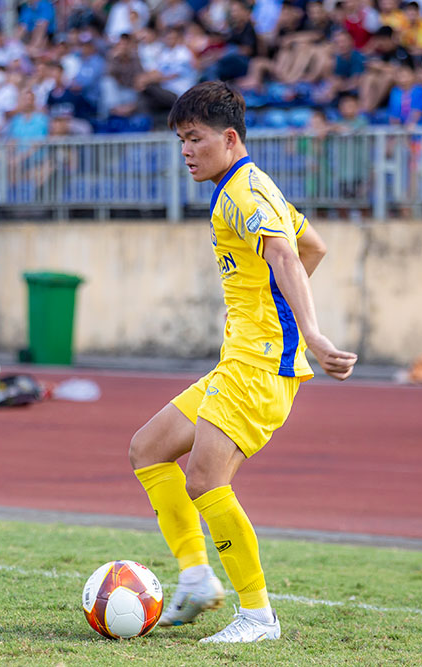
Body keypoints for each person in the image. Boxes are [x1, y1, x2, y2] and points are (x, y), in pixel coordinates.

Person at [128, 81, 357, 643]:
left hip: (259, 364)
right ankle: (197, 578)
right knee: (149, 449)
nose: (185, 150)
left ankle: (257, 616)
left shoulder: (242, 194)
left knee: (205, 478)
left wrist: (310, 332)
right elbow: (314, 247)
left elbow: (285, 252)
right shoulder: (247, 185)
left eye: (195, 138)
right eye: (181, 139)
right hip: (241, 358)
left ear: (229, 139)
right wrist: (279, 307)